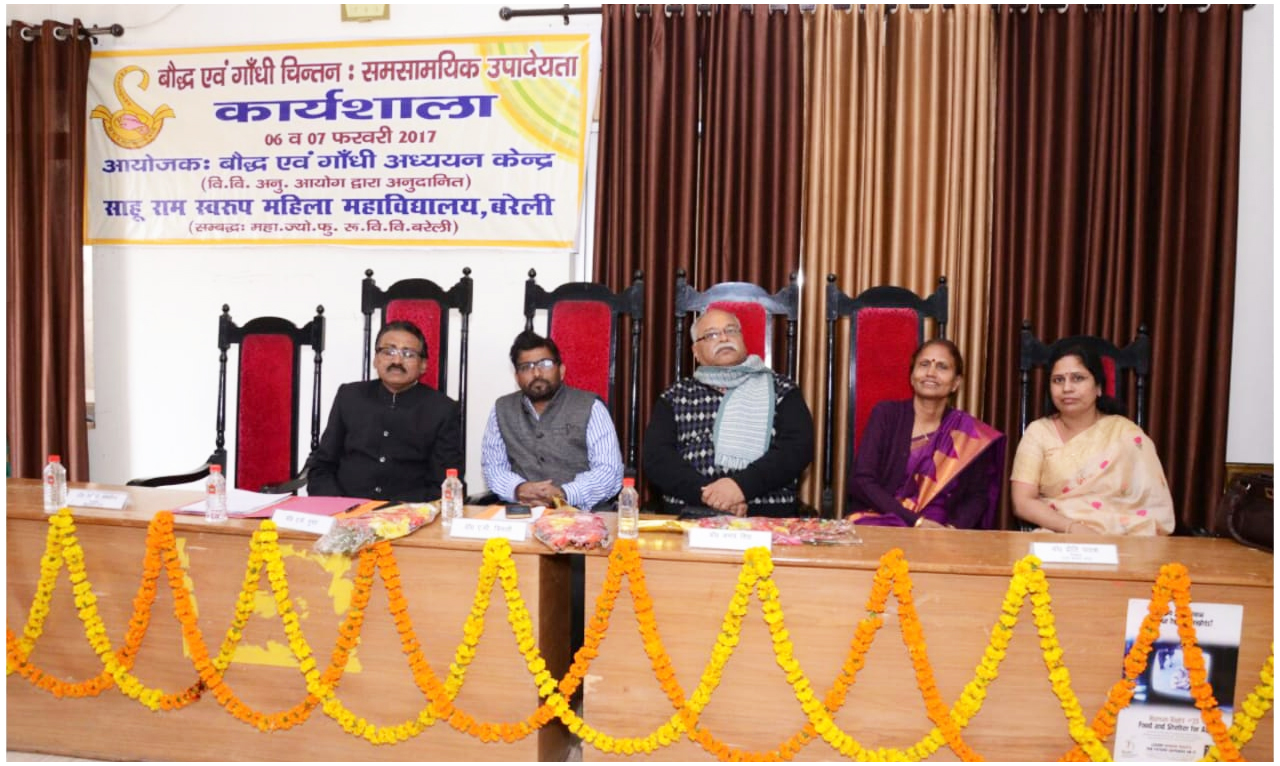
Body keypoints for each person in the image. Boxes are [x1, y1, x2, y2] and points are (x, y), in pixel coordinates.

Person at [643, 308, 814, 517]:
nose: (724, 338)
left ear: (742, 340)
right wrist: (710, 496)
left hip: (767, 514)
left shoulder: (782, 389)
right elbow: (657, 459)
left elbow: (797, 448)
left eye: (731, 330)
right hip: (690, 511)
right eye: (712, 334)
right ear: (696, 351)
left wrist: (740, 487)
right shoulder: (675, 396)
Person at [1010, 345, 1175, 535]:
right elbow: (1022, 502)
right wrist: (1073, 528)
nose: (1067, 388)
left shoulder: (1126, 434)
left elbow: (1152, 505)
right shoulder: (1038, 432)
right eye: (1058, 380)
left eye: (1078, 378)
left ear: (1098, 387)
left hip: (1124, 537)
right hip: (1058, 534)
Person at [846, 339, 1005, 529]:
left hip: (941, 530)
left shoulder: (969, 434)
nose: (931, 372)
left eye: (942, 367)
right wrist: (916, 522)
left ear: (956, 383)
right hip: (883, 519)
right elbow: (862, 480)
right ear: (912, 376)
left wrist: (951, 530)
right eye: (924, 364)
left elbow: (977, 496)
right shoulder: (886, 415)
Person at [305, 320, 463, 501]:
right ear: (375, 359)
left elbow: (445, 482)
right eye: (389, 352)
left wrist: (403, 512)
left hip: (409, 512)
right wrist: (336, 505)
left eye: (408, 354)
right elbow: (322, 465)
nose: (397, 361)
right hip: (344, 508)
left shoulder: (442, 409)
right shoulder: (349, 396)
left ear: (423, 365)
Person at [481, 330, 624, 510]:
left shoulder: (590, 407)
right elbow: (493, 468)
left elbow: (608, 471)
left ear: (561, 370)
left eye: (545, 364)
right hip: (522, 513)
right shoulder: (502, 409)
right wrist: (519, 489)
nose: (536, 373)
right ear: (517, 377)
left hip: (582, 514)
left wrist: (563, 494)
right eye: (526, 367)